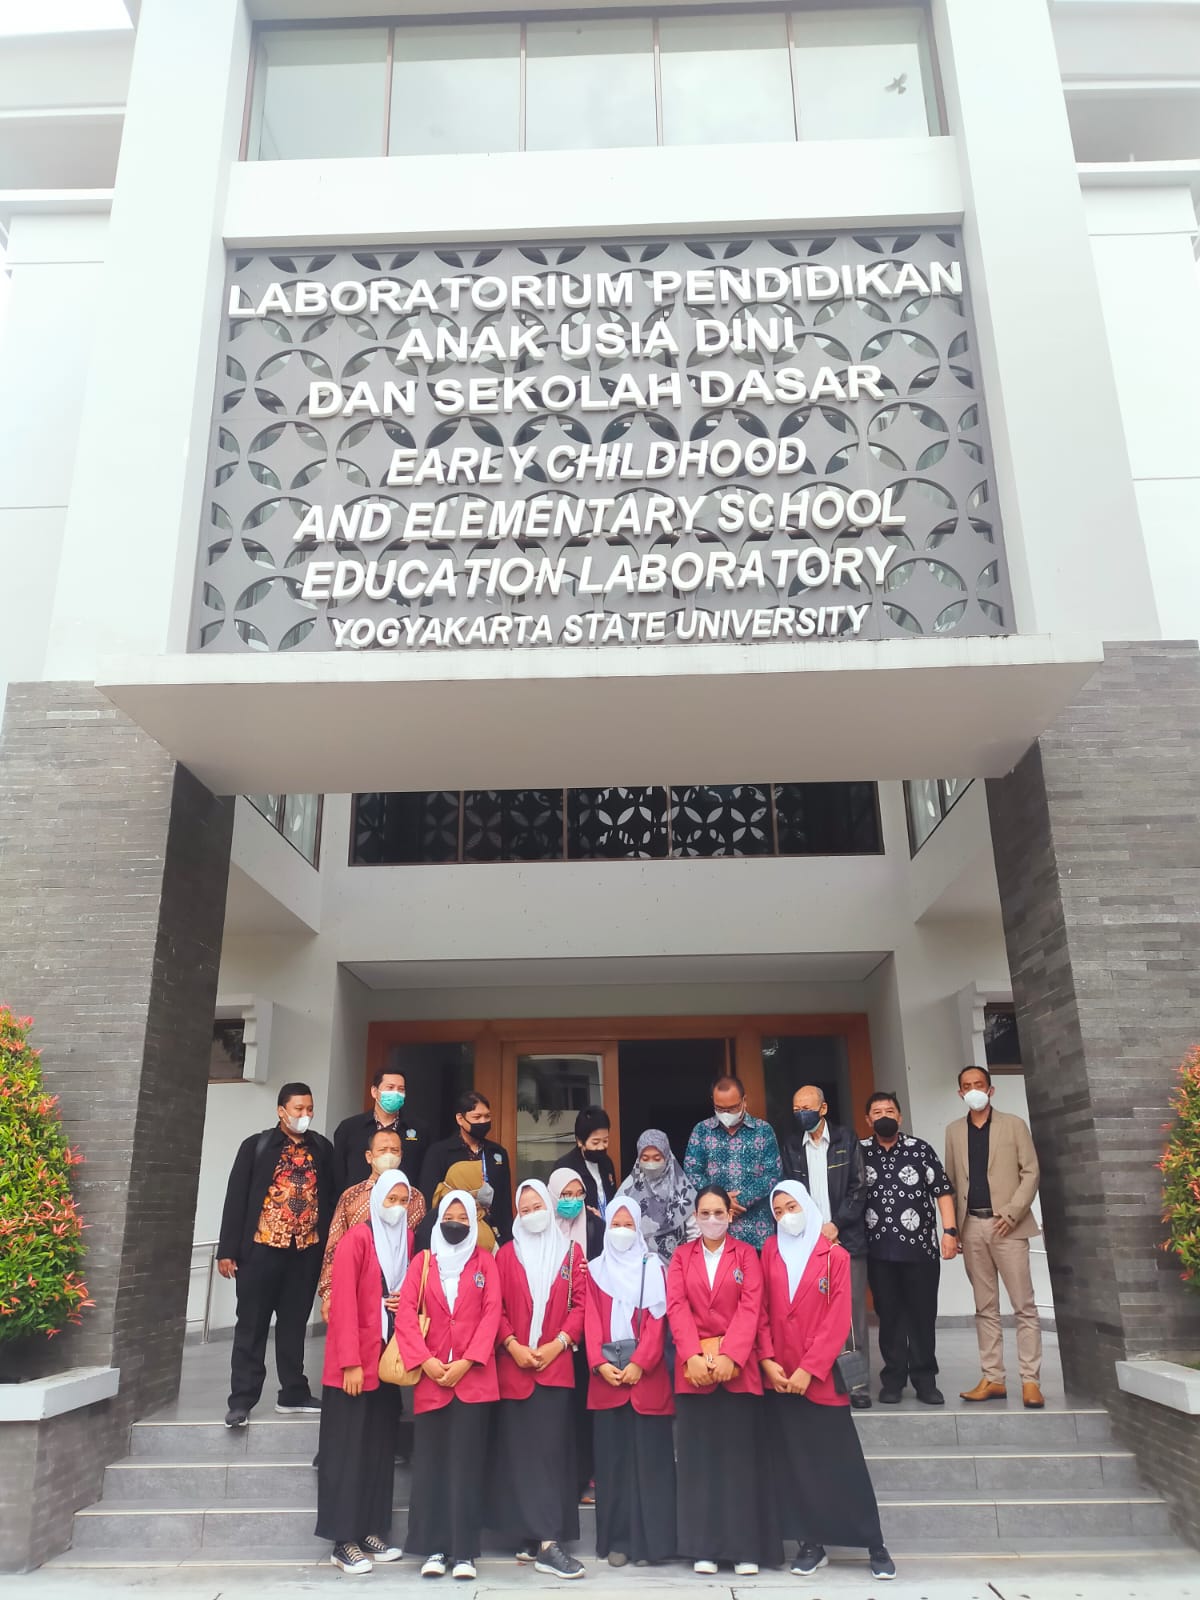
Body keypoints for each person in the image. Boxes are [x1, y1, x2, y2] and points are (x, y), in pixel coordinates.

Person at [759, 1181, 895, 1582]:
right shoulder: (770, 1251)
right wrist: (767, 1360)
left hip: (818, 1377)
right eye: (778, 1211)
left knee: (841, 1462)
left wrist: (809, 1368)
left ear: (807, 1205)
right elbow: (761, 1310)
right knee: (796, 1465)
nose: (786, 1216)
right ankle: (811, 1543)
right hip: (781, 1378)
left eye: (792, 1206)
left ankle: (873, 1543)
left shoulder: (835, 1255)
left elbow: (839, 1319)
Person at [666, 1184, 779, 1576]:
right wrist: (692, 1355)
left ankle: (744, 1549)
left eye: (719, 1213)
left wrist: (732, 1354)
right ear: (695, 1217)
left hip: (738, 1370)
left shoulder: (746, 1254)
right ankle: (705, 1548)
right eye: (705, 1213)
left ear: (730, 1216)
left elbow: (752, 1306)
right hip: (694, 1372)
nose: (712, 1219)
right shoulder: (681, 1257)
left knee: (739, 1461)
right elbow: (676, 1306)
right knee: (700, 1463)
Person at [394, 1190, 501, 1581]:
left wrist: (468, 1361)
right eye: (449, 1217)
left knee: (467, 1466)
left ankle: (464, 1551)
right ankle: (434, 1548)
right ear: (439, 1221)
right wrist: (425, 1360)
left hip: (473, 1381)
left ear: (474, 1221)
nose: (456, 1223)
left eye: (463, 1217)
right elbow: (406, 1314)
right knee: (431, 1466)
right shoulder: (423, 1262)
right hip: (432, 1378)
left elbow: (493, 1314)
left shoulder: (484, 1262)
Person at [218, 1083, 336, 1429]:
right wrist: (228, 1250)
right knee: (251, 1326)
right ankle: (241, 1400)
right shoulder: (257, 1146)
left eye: (309, 1108)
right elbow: (236, 1197)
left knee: (294, 1326)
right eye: (298, 1109)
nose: (305, 1115)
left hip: (305, 1253)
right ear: (281, 1111)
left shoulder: (321, 1148)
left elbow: (330, 1199)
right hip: (261, 1251)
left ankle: (293, 1393)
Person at [315, 1168, 413, 1574]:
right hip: (353, 1367)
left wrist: (402, 1301)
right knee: (347, 1454)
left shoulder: (406, 1241)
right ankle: (343, 1540)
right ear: (376, 1201)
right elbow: (342, 1306)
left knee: (377, 1451)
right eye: (391, 1200)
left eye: (404, 1201)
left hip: (385, 1366)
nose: (397, 1208)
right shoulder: (357, 1239)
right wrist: (350, 1363)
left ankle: (371, 1529)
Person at [493, 1179, 588, 1580]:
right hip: (514, 1368)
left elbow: (581, 1305)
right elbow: (494, 1308)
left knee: (549, 1456)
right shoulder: (505, 1255)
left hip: (554, 1368)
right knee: (519, 1455)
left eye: (538, 1207)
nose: (532, 1215)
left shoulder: (570, 1252)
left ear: (549, 1208)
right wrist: (512, 1344)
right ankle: (529, 1535)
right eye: (525, 1209)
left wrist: (558, 1344)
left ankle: (549, 1541)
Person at [944, 1065, 1044, 1408]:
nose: (973, 1090)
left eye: (979, 1084)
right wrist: (953, 1228)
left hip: (1008, 1226)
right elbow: (951, 1181)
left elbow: (1031, 1171)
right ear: (960, 1093)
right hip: (972, 1226)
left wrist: (1013, 1212)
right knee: (984, 1307)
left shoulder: (1013, 1125)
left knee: (1024, 1306)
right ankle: (993, 1378)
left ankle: (1030, 1380)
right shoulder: (953, 1131)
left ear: (990, 1089)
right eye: (967, 1085)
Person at [586, 1198, 676, 1568]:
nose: (621, 1231)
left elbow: (658, 1322)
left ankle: (652, 1545)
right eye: (615, 1225)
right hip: (607, 1382)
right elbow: (590, 1320)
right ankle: (619, 1541)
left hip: (647, 1381)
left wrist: (641, 1363)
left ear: (638, 1228)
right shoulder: (595, 1270)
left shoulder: (652, 1269)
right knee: (614, 1465)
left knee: (651, 1464)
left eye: (628, 1225)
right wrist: (598, 1363)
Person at [861, 1091, 957, 1406]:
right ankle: (893, 1379)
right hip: (878, 1252)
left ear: (900, 1117)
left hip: (920, 1252)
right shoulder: (860, 1152)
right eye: (877, 1112)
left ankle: (925, 1380)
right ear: (868, 1119)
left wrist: (950, 1231)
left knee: (921, 1316)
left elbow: (942, 1190)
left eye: (889, 1111)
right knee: (889, 1317)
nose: (884, 1116)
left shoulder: (920, 1149)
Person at [780, 1085, 871, 1409]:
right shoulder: (792, 1145)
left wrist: (837, 1224)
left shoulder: (846, 1139)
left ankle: (857, 1385)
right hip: (807, 1241)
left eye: (806, 1107)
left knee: (851, 1316)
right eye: (796, 1109)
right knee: (814, 1314)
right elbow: (790, 1191)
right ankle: (819, 1376)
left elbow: (859, 1187)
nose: (801, 1114)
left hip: (844, 1237)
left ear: (823, 1108)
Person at [319, 1128, 427, 1317]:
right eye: (382, 1150)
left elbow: (420, 1253)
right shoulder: (352, 1196)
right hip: (358, 1290)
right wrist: (329, 1293)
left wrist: (413, 1291)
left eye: (394, 1151)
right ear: (369, 1156)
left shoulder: (415, 1198)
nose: (389, 1155)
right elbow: (334, 1247)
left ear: (401, 1155)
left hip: (398, 1295)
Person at [683, 1076, 781, 1250]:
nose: (726, 1113)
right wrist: (721, 1199)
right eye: (720, 1108)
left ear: (744, 1101)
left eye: (733, 1108)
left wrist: (740, 1200)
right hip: (715, 1230)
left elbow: (772, 1174)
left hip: (756, 1231)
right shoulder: (702, 1131)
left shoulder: (763, 1131)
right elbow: (692, 1171)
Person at [548, 1168, 595, 1506]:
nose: (573, 1201)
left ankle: (584, 1477)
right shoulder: (541, 1226)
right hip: (549, 1336)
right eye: (565, 1194)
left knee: (581, 1407)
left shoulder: (595, 1226)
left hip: (585, 1332)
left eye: (579, 1194)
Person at [419, 1090, 514, 1243]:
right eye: (477, 1117)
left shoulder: (497, 1153)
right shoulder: (440, 1152)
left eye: (487, 1116)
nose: (483, 1121)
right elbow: (430, 1198)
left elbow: (505, 1202)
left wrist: (507, 1239)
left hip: (492, 1234)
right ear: (460, 1119)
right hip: (453, 1233)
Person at [331, 1067, 428, 1197]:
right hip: (358, 1203)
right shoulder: (349, 1128)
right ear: (374, 1092)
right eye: (390, 1088)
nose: (396, 1093)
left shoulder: (419, 1129)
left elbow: (424, 1173)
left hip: (404, 1202)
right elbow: (338, 1174)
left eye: (401, 1089)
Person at [616, 1129, 697, 1263]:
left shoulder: (682, 1190)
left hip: (677, 1266)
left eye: (657, 1158)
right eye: (645, 1158)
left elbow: (694, 1232)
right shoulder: (628, 1191)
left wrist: (690, 1263)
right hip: (638, 1266)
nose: (651, 1163)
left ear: (667, 1157)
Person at [557, 1106, 618, 1260]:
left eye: (605, 1141)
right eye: (595, 1142)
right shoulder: (565, 1166)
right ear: (580, 1141)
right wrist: (588, 1216)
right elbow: (560, 1207)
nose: (601, 1147)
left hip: (608, 1236)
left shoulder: (606, 1163)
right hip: (583, 1241)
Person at [416, 1161, 499, 1255]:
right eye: (481, 1180)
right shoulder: (435, 1219)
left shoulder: (481, 1214)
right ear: (465, 1183)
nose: (486, 1185)